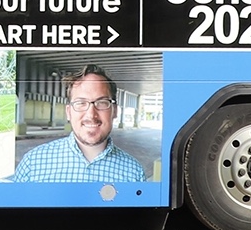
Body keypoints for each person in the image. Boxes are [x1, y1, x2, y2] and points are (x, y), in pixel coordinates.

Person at [9, 64, 148, 183]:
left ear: (115, 111)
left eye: (101, 103)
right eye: (81, 103)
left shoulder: (134, 173)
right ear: (69, 112)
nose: (91, 114)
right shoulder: (33, 163)